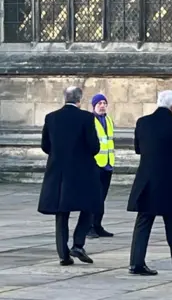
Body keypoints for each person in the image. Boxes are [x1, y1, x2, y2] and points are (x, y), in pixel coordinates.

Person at [127, 90, 172, 275]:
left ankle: (136, 263)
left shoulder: (142, 122)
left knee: (143, 221)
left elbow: (138, 149)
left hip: (146, 179)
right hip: (168, 180)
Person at [37, 86, 101, 266]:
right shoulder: (86, 118)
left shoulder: (51, 117)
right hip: (82, 171)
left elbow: (45, 145)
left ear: (65, 98)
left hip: (58, 171)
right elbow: (94, 146)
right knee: (89, 206)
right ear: (79, 100)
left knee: (61, 212)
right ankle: (78, 244)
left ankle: (63, 254)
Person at [87, 93, 115, 238]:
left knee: (102, 198)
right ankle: (89, 226)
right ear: (94, 106)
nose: (102, 106)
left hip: (107, 164)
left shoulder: (108, 120)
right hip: (95, 164)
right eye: (99, 103)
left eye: (104, 103)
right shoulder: (90, 120)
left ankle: (97, 225)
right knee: (93, 197)